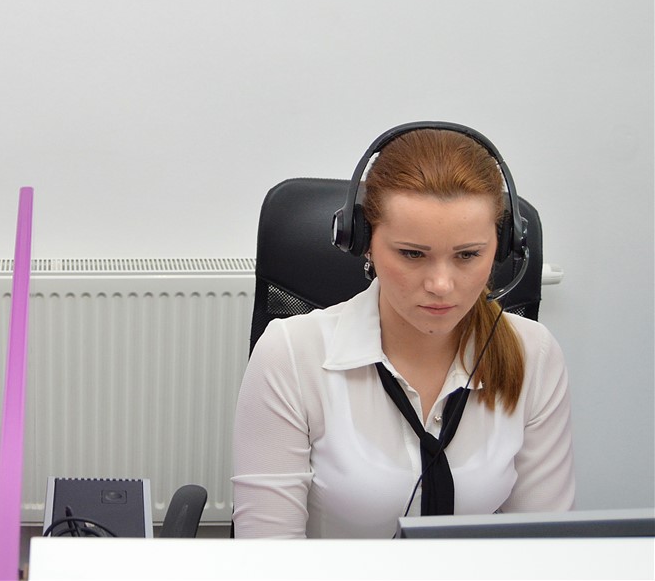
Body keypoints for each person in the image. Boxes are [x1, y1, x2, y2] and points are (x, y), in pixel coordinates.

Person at [232, 126, 575, 538]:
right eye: (412, 254)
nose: (441, 285)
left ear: (502, 248)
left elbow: (544, 544)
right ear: (362, 241)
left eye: (468, 255)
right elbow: (269, 555)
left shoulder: (533, 353)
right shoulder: (290, 355)